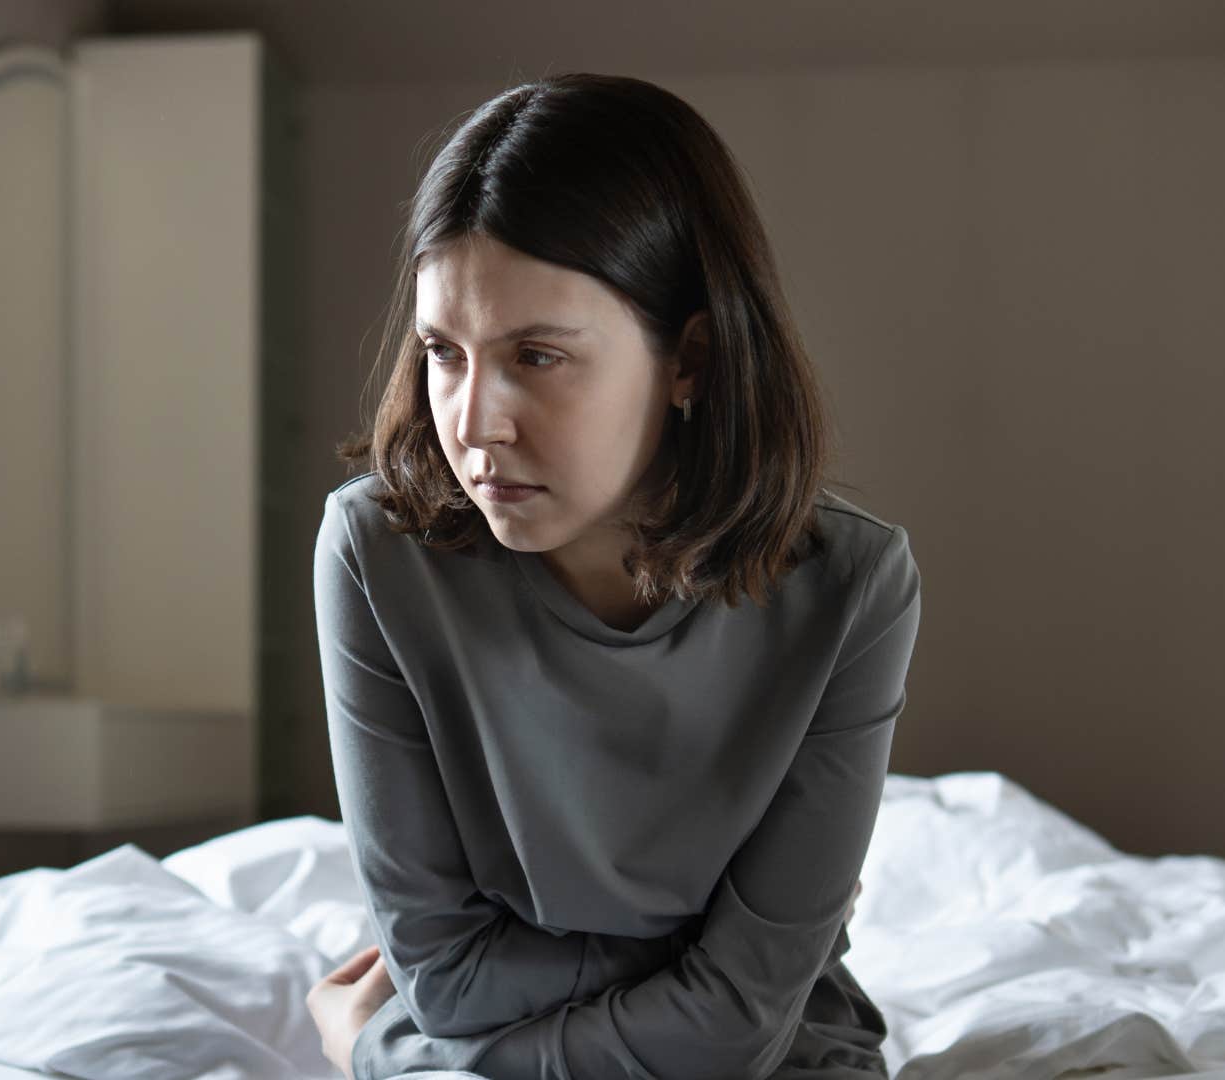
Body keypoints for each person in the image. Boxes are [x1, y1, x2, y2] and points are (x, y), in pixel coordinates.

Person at [305, 72, 922, 1080]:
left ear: (691, 357)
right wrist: (692, 968)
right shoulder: (376, 554)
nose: (470, 424)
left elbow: (741, 1026)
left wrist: (384, 1052)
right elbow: (446, 980)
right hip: (516, 1031)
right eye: (441, 353)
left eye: (536, 356)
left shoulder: (852, 585)